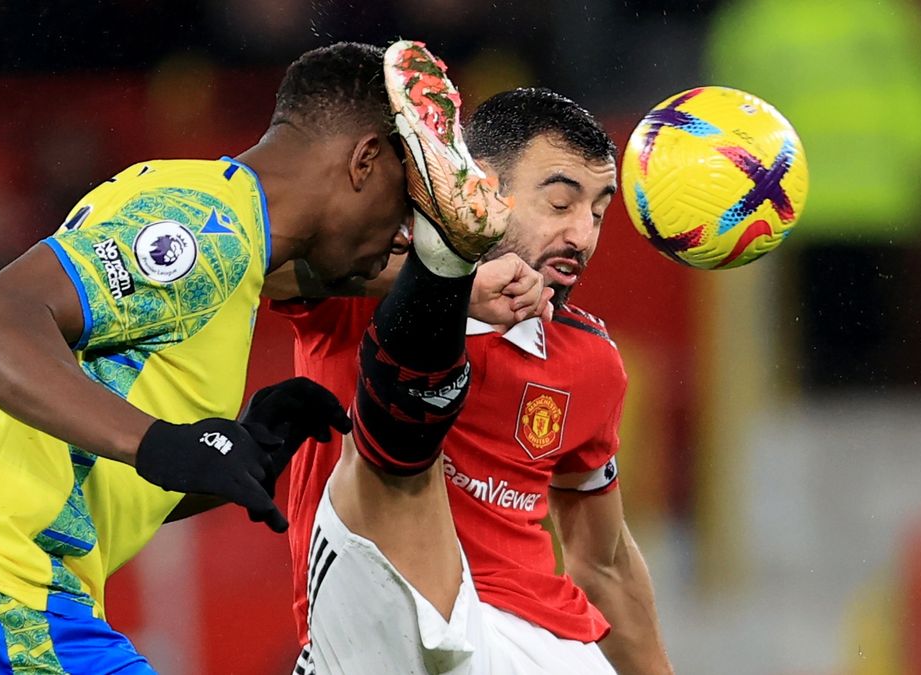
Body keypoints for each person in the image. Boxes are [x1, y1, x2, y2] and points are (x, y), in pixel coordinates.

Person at [0, 41, 445, 674]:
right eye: (405, 203)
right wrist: (160, 441)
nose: (402, 234)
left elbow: (100, 460)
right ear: (365, 160)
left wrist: (234, 451)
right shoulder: (207, 232)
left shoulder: (202, 209)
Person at [270, 43, 672, 674]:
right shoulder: (356, 285)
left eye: (598, 213)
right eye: (561, 204)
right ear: (484, 185)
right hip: (387, 629)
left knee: (386, 443)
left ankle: (447, 257)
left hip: (535, 644)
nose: (583, 236)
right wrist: (435, 287)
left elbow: (606, 561)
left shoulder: (590, 360)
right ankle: (446, 264)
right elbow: (262, 268)